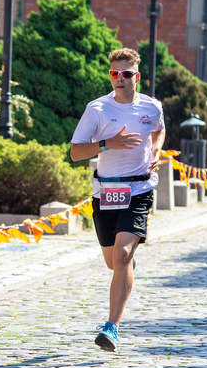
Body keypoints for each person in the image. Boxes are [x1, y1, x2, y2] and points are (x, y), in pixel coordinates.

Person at [70, 48, 166, 352]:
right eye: (114, 74)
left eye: (125, 74)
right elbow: (75, 152)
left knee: (123, 254)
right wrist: (106, 144)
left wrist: (156, 151)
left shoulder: (152, 107)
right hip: (106, 191)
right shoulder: (97, 109)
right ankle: (126, 264)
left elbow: (159, 130)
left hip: (138, 189)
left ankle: (112, 327)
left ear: (136, 76)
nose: (119, 79)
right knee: (114, 262)